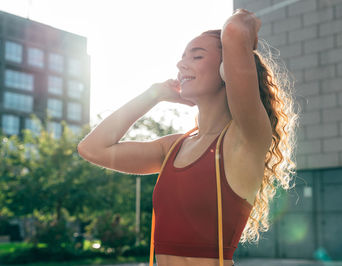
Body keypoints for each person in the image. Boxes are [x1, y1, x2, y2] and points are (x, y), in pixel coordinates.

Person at [78, 8, 299, 266]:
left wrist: (249, 30)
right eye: (182, 58)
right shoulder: (173, 147)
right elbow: (92, 148)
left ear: (226, 68)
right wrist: (154, 94)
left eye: (196, 56)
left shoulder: (245, 138)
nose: (181, 64)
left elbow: (236, 30)